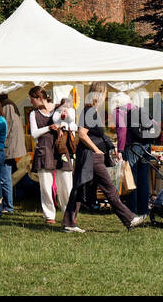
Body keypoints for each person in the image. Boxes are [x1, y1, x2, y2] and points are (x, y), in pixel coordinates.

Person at [62, 82, 145, 233]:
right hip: (92, 157)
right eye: (105, 93)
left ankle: (69, 222)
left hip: (90, 156)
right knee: (110, 189)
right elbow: (81, 134)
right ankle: (130, 219)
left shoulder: (91, 111)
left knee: (79, 189)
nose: (106, 96)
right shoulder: (89, 112)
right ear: (99, 94)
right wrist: (96, 150)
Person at [28, 86, 73, 224]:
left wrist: (64, 123)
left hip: (61, 147)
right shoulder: (33, 114)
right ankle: (49, 215)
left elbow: (71, 123)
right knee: (46, 185)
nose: (31, 102)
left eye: (32, 99)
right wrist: (49, 127)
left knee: (66, 183)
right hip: (44, 149)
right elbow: (34, 133)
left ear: (39, 98)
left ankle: (68, 213)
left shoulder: (60, 108)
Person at [0, 94, 27, 212]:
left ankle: (8, 206)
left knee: (5, 177)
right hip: (9, 146)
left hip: (8, 147)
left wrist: (1, 141)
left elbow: (7, 126)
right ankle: (7, 204)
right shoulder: (8, 104)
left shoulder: (7, 105)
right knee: (6, 176)